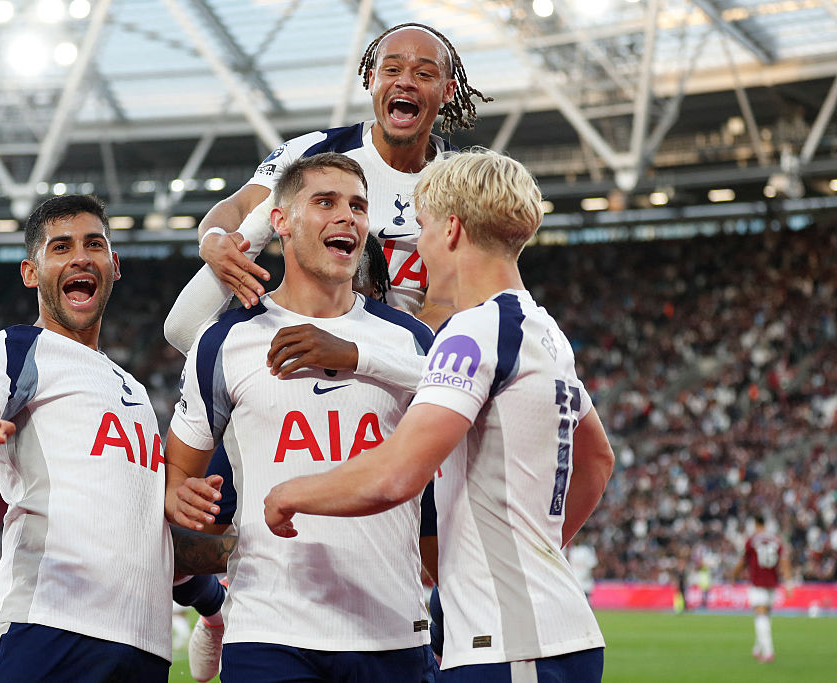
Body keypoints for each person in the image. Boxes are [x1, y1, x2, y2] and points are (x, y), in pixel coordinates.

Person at [264, 149, 616, 681]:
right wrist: (530, 554)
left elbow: (398, 474)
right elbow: (598, 459)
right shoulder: (542, 330)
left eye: (423, 228)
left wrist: (290, 494)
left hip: (506, 643)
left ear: (451, 230)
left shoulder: (474, 330)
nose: (419, 248)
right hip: (553, 630)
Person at [0, 194, 233, 683]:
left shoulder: (132, 389)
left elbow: (146, 532)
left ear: (114, 265)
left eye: (94, 244)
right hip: (45, 629)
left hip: (143, 650)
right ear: (32, 272)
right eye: (60, 247)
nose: (80, 257)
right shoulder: (18, 347)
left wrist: (216, 602)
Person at [165, 153, 438, 682]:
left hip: (392, 632)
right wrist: (177, 492)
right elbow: (179, 472)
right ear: (281, 222)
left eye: (358, 206)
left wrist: (354, 355)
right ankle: (209, 610)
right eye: (326, 202)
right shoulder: (225, 340)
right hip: (270, 635)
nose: (348, 216)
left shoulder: (409, 340)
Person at [163, 21, 491, 354]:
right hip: (313, 336)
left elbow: (453, 303)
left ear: (448, 90)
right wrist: (213, 239)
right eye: (392, 69)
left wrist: (379, 351)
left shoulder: (465, 183)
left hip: (404, 364)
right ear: (371, 79)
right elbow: (241, 208)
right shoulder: (312, 153)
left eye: (423, 74)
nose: (405, 81)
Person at [731, 515, 792, 663]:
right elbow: (784, 561)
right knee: (765, 615)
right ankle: (758, 648)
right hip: (772, 582)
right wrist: (789, 582)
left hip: (758, 582)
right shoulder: (776, 540)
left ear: (756, 524)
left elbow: (742, 561)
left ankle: (768, 652)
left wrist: (733, 576)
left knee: (760, 615)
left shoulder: (752, 540)